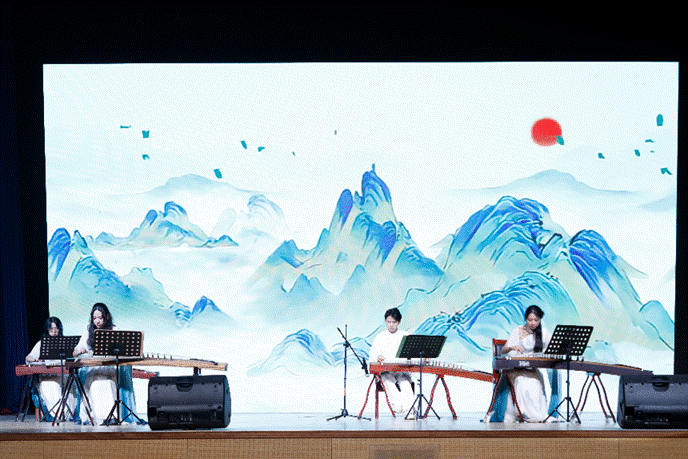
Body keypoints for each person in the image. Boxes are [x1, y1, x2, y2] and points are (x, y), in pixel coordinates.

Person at [73, 303, 138, 424]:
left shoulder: (114, 330)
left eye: (100, 317)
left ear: (106, 317)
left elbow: (123, 350)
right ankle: (98, 417)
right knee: (95, 384)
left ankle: (112, 417)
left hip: (110, 369)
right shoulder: (88, 333)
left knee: (108, 384)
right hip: (94, 370)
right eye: (94, 318)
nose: (97, 321)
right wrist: (80, 351)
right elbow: (75, 352)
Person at [500, 305, 552, 422]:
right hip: (517, 370)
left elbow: (554, 346)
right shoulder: (518, 330)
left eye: (536, 320)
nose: (533, 323)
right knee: (522, 382)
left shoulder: (543, 333)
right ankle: (521, 414)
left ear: (540, 319)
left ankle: (534, 416)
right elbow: (503, 350)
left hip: (532, 370)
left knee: (535, 383)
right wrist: (513, 347)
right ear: (525, 319)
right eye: (530, 320)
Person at [25, 317, 75, 421]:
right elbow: (28, 358)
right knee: (51, 386)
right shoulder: (42, 343)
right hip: (47, 377)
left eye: (56, 329)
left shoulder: (65, 342)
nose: (54, 332)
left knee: (72, 386)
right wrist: (34, 359)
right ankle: (58, 414)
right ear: (47, 330)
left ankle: (69, 414)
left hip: (62, 375)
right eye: (51, 329)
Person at [368, 307, 415, 415]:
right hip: (386, 371)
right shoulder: (380, 337)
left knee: (405, 383)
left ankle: (409, 411)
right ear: (385, 321)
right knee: (388, 381)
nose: (391, 325)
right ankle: (398, 407)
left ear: (399, 322)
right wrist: (377, 357)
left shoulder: (405, 336)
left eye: (394, 322)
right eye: (388, 322)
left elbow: (412, 355)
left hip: (401, 371)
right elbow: (372, 357)